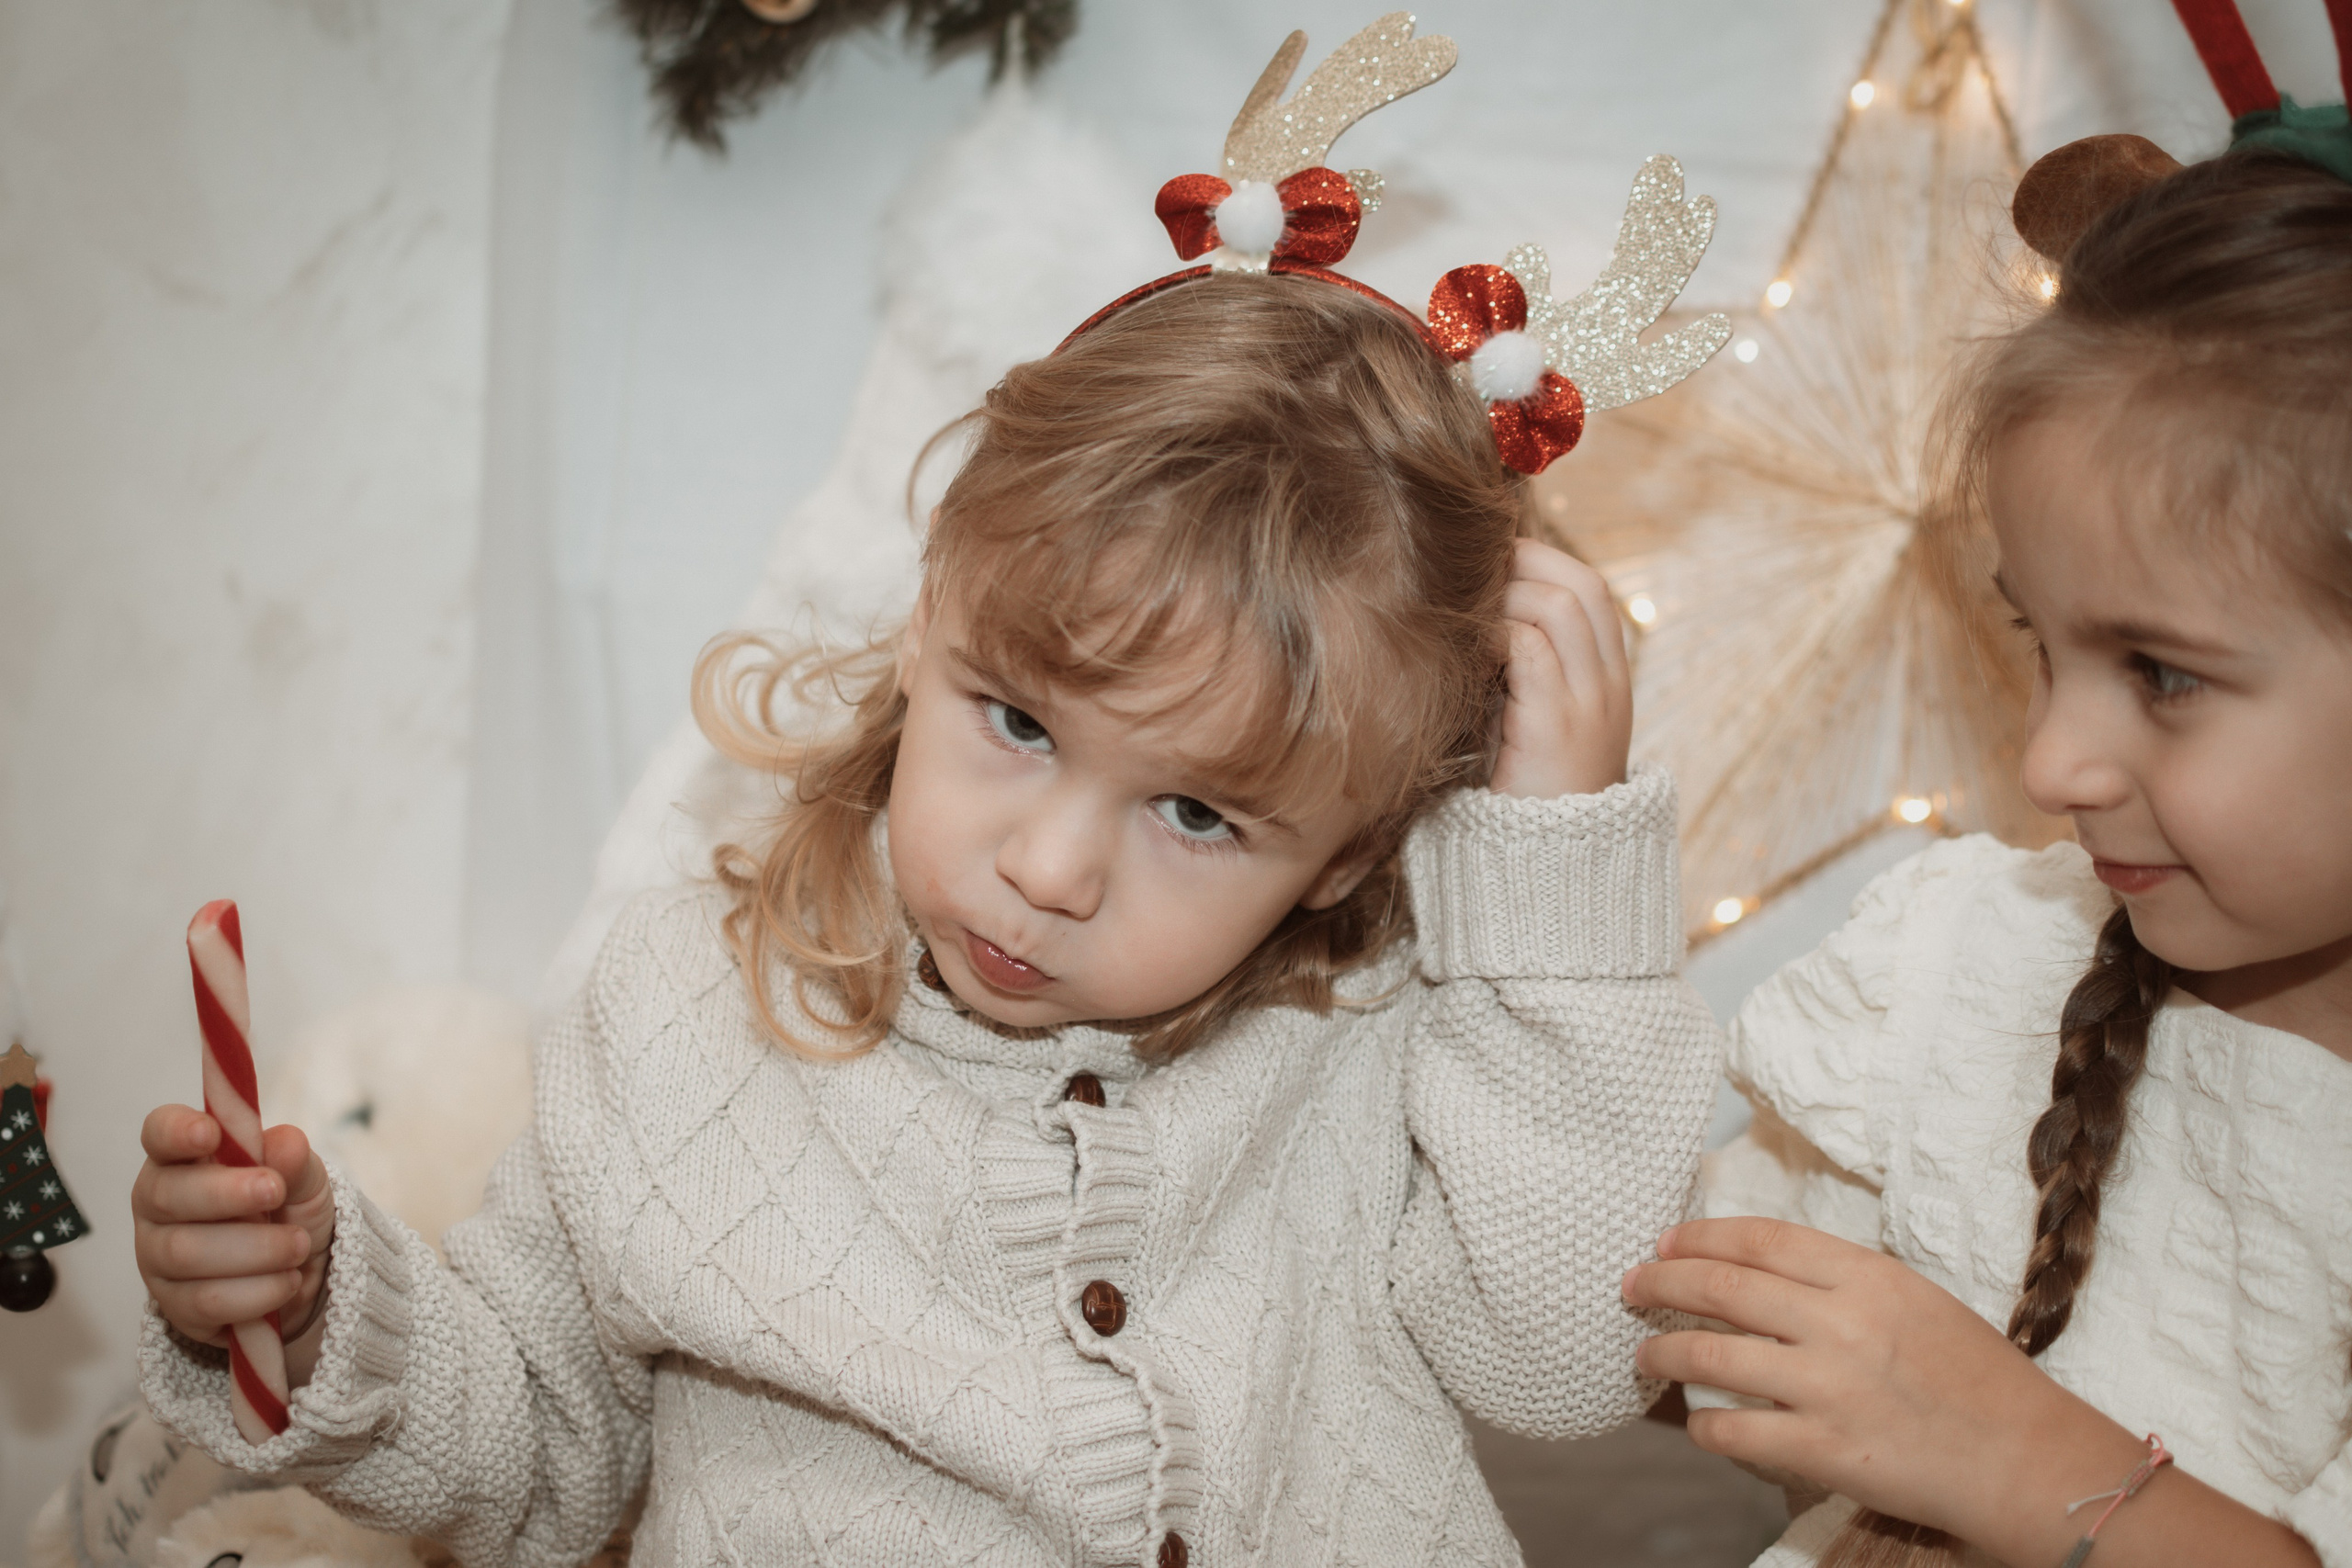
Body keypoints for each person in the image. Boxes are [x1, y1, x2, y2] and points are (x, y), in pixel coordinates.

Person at [123, 91, 1731, 1561]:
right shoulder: (681, 1017)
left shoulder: (1385, 1031)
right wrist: (318, 1311)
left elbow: (1568, 1362)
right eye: (1016, 722)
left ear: (1355, 854)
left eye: (1195, 811)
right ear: (925, 616)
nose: (1048, 868)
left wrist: (1556, 897)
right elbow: (541, 1456)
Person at [1621, 143, 2352, 1568]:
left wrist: (2002, 1450)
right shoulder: (1969, 967)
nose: (2049, 764)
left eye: (2163, 673)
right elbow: (1633, 1327)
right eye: (2042, 639)